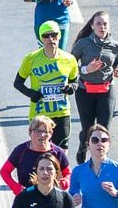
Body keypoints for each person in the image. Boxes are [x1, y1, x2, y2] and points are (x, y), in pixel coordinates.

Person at [14, 22, 81, 150]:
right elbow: (18, 83)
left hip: (62, 113)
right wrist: (31, 94)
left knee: (61, 155)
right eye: (46, 36)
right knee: (41, 153)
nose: (51, 39)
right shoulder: (31, 59)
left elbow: (74, 81)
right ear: (41, 38)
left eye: (54, 35)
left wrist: (71, 88)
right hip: (39, 115)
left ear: (59, 36)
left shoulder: (69, 59)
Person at [70, 12, 118, 146]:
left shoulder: (115, 46)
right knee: (87, 130)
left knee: (103, 130)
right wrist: (87, 69)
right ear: (92, 26)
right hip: (85, 91)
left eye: (105, 24)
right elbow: (70, 64)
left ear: (109, 26)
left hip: (106, 90)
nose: (102, 27)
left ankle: (100, 159)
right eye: (98, 24)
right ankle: (83, 147)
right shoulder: (83, 44)